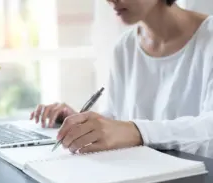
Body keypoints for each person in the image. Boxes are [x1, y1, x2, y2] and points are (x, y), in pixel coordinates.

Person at [30, 0, 213, 158]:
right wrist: (83, 122)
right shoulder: (125, 47)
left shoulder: (209, 39)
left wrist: (136, 132)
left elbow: (209, 127)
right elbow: (117, 117)